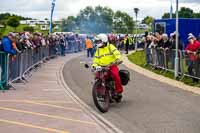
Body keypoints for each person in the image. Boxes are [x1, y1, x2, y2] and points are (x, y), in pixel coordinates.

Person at [92, 34, 123, 98]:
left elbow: (117, 53)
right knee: (97, 77)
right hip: (102, 67)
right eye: (97, 42)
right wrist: (94, 66)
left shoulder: (110, 46)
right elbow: (95, 60)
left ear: (104, 40)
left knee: (116, 75)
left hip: (111, 65)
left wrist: (118, 59)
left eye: (99, 41)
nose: (97, 43)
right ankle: (99, 92)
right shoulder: (98, 50)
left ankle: (118, 91)